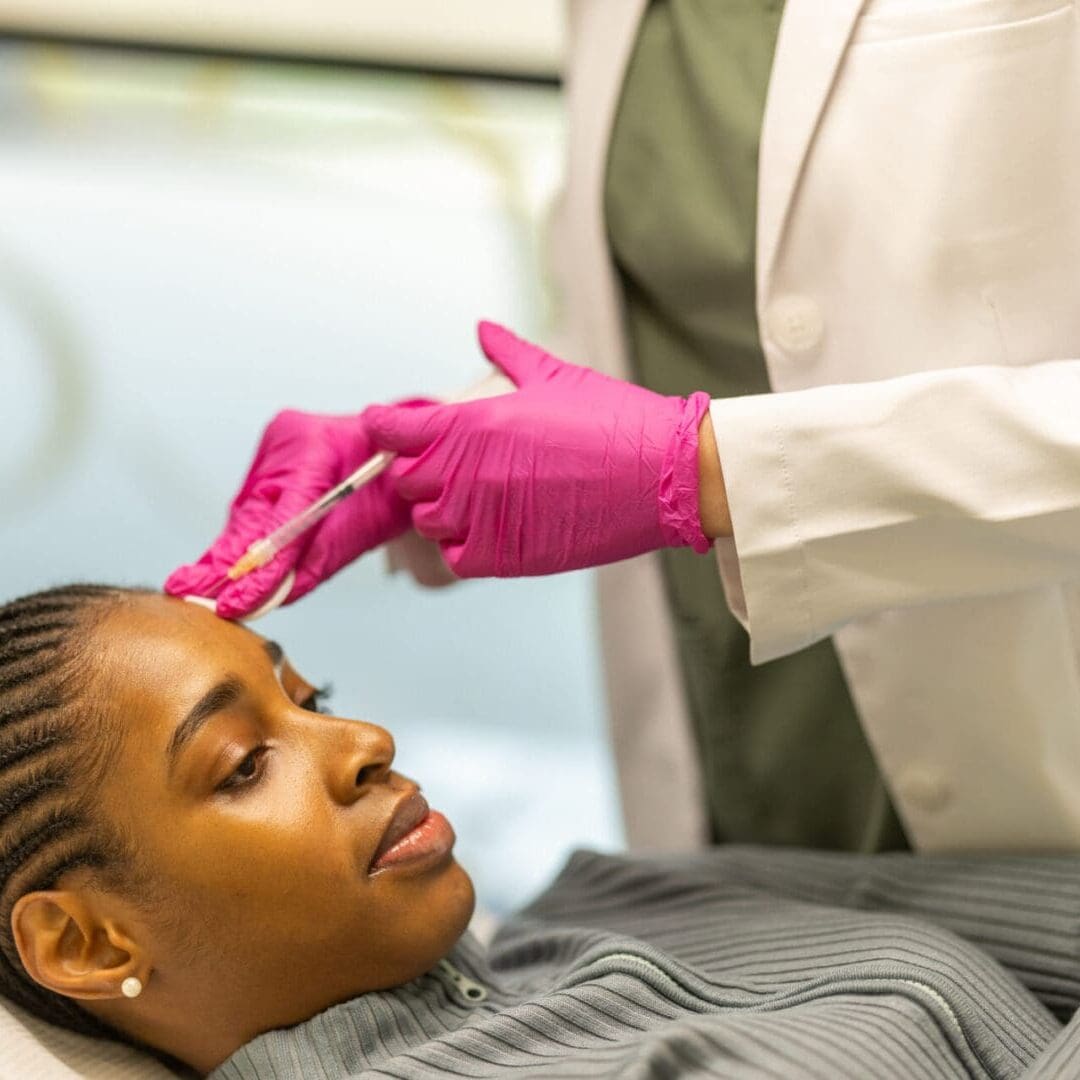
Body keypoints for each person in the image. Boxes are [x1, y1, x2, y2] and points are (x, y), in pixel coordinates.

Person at [167, 2, 1080, 860]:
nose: (365, 745)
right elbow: (675, 322)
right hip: (737, 766)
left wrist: (711, 471)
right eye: (243, 762)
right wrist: (427, 454)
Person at [6, 583, 1080, 1079]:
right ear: (89, 946)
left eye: (311, 694)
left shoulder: (621, 897)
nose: (363, 739)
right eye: (245, 762)